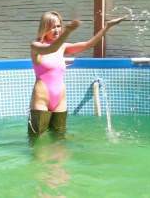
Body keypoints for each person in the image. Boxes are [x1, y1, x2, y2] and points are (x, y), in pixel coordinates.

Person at [28, 10, 126, 142]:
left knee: (59, 139)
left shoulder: (62, 47)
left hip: (60, 99)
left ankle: (57, 162)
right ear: (44, 28)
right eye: (52, 27)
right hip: (41, 97)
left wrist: (107, 26)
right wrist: (67, 32)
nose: (57, 30)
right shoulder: (35, 46)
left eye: (59, 26)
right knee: (37, 139)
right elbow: (50, 49)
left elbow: (88, 44)